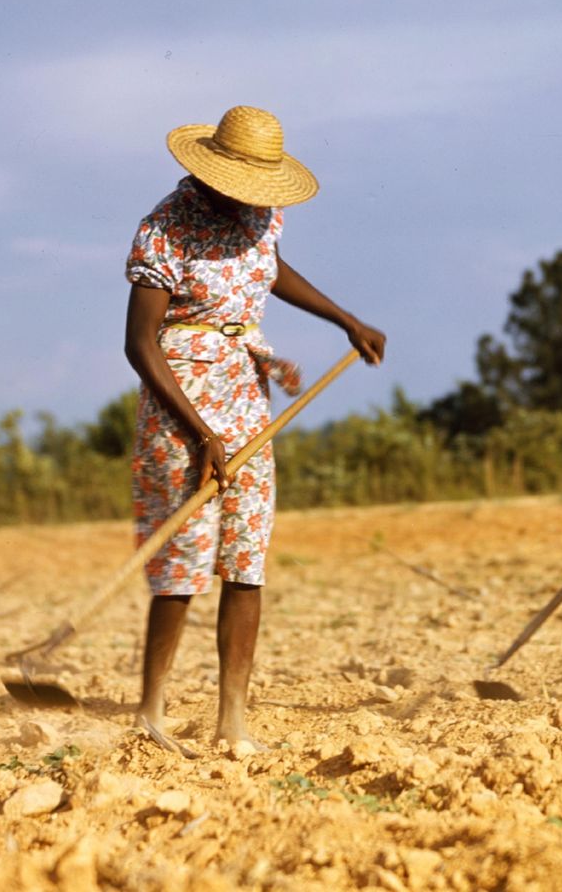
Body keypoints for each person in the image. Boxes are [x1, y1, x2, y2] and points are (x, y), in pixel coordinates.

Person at [126, 105, 385, 750]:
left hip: (245, 394)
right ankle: (152, 710)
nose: (249, 200)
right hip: (178, 399)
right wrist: (202, 434)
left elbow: (270, 268)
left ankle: (232, 720)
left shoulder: (262, 216)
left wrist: (344, 318)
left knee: (246, 557)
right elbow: (139, 344)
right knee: (183, 558)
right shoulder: (165, 228)